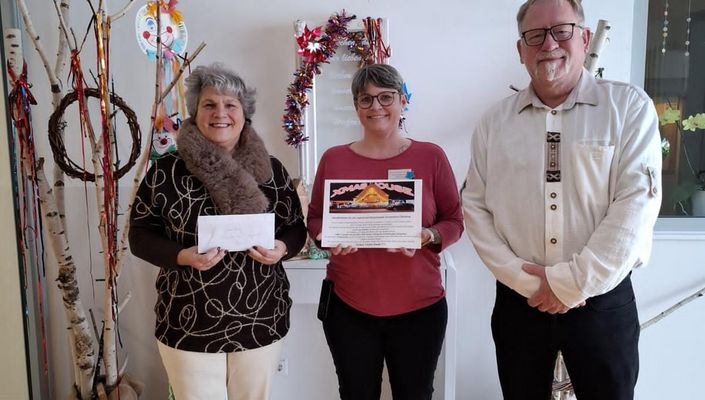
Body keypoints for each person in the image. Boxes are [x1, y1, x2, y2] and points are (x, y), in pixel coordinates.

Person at [462, 1, 662, 399]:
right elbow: (476, 207)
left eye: (562, 30)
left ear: (584, 38)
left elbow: (635, 206)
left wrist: (570, 284)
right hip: (521, 302)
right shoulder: (493, 124)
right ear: (521, 49)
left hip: (601, 300)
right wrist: (528, 282)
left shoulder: (628, 108)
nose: (549, 44)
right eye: (535, 35)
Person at [129, 63, 307, 400]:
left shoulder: (272, 169)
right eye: (209, 104)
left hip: (260, 318)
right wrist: (182, 256)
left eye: (230, 105)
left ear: (244, 113)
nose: (220, 113)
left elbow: (295, 227)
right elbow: (139, 236)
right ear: (195, 112)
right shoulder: (166, 171)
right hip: (188, 320)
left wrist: (282, 249)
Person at [307, 63, 464, 400]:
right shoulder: (334, 159)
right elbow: (316, 219)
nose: (376, 106)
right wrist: (328, 238)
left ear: (403, 101)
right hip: (349, 308)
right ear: (356, 107)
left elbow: (454, 220)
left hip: (420, 308)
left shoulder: (431, 156)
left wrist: (428, 236)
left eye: (385, 97)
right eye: (365, 99)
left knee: (416, 394)